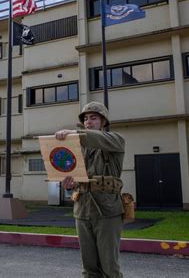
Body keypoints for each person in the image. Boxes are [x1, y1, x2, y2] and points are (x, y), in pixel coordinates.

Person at [55, 101, 125, 278]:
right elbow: (72, 175)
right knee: (89, 267)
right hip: (82, 209)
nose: (88, 122)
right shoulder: (79, 149)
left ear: (104, 122)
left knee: (110, 266)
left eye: (93, 118)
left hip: (107, 210)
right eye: (86, 119)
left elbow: (95, 138)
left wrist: (74, 133)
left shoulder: (115, 141)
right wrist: (69, 185)